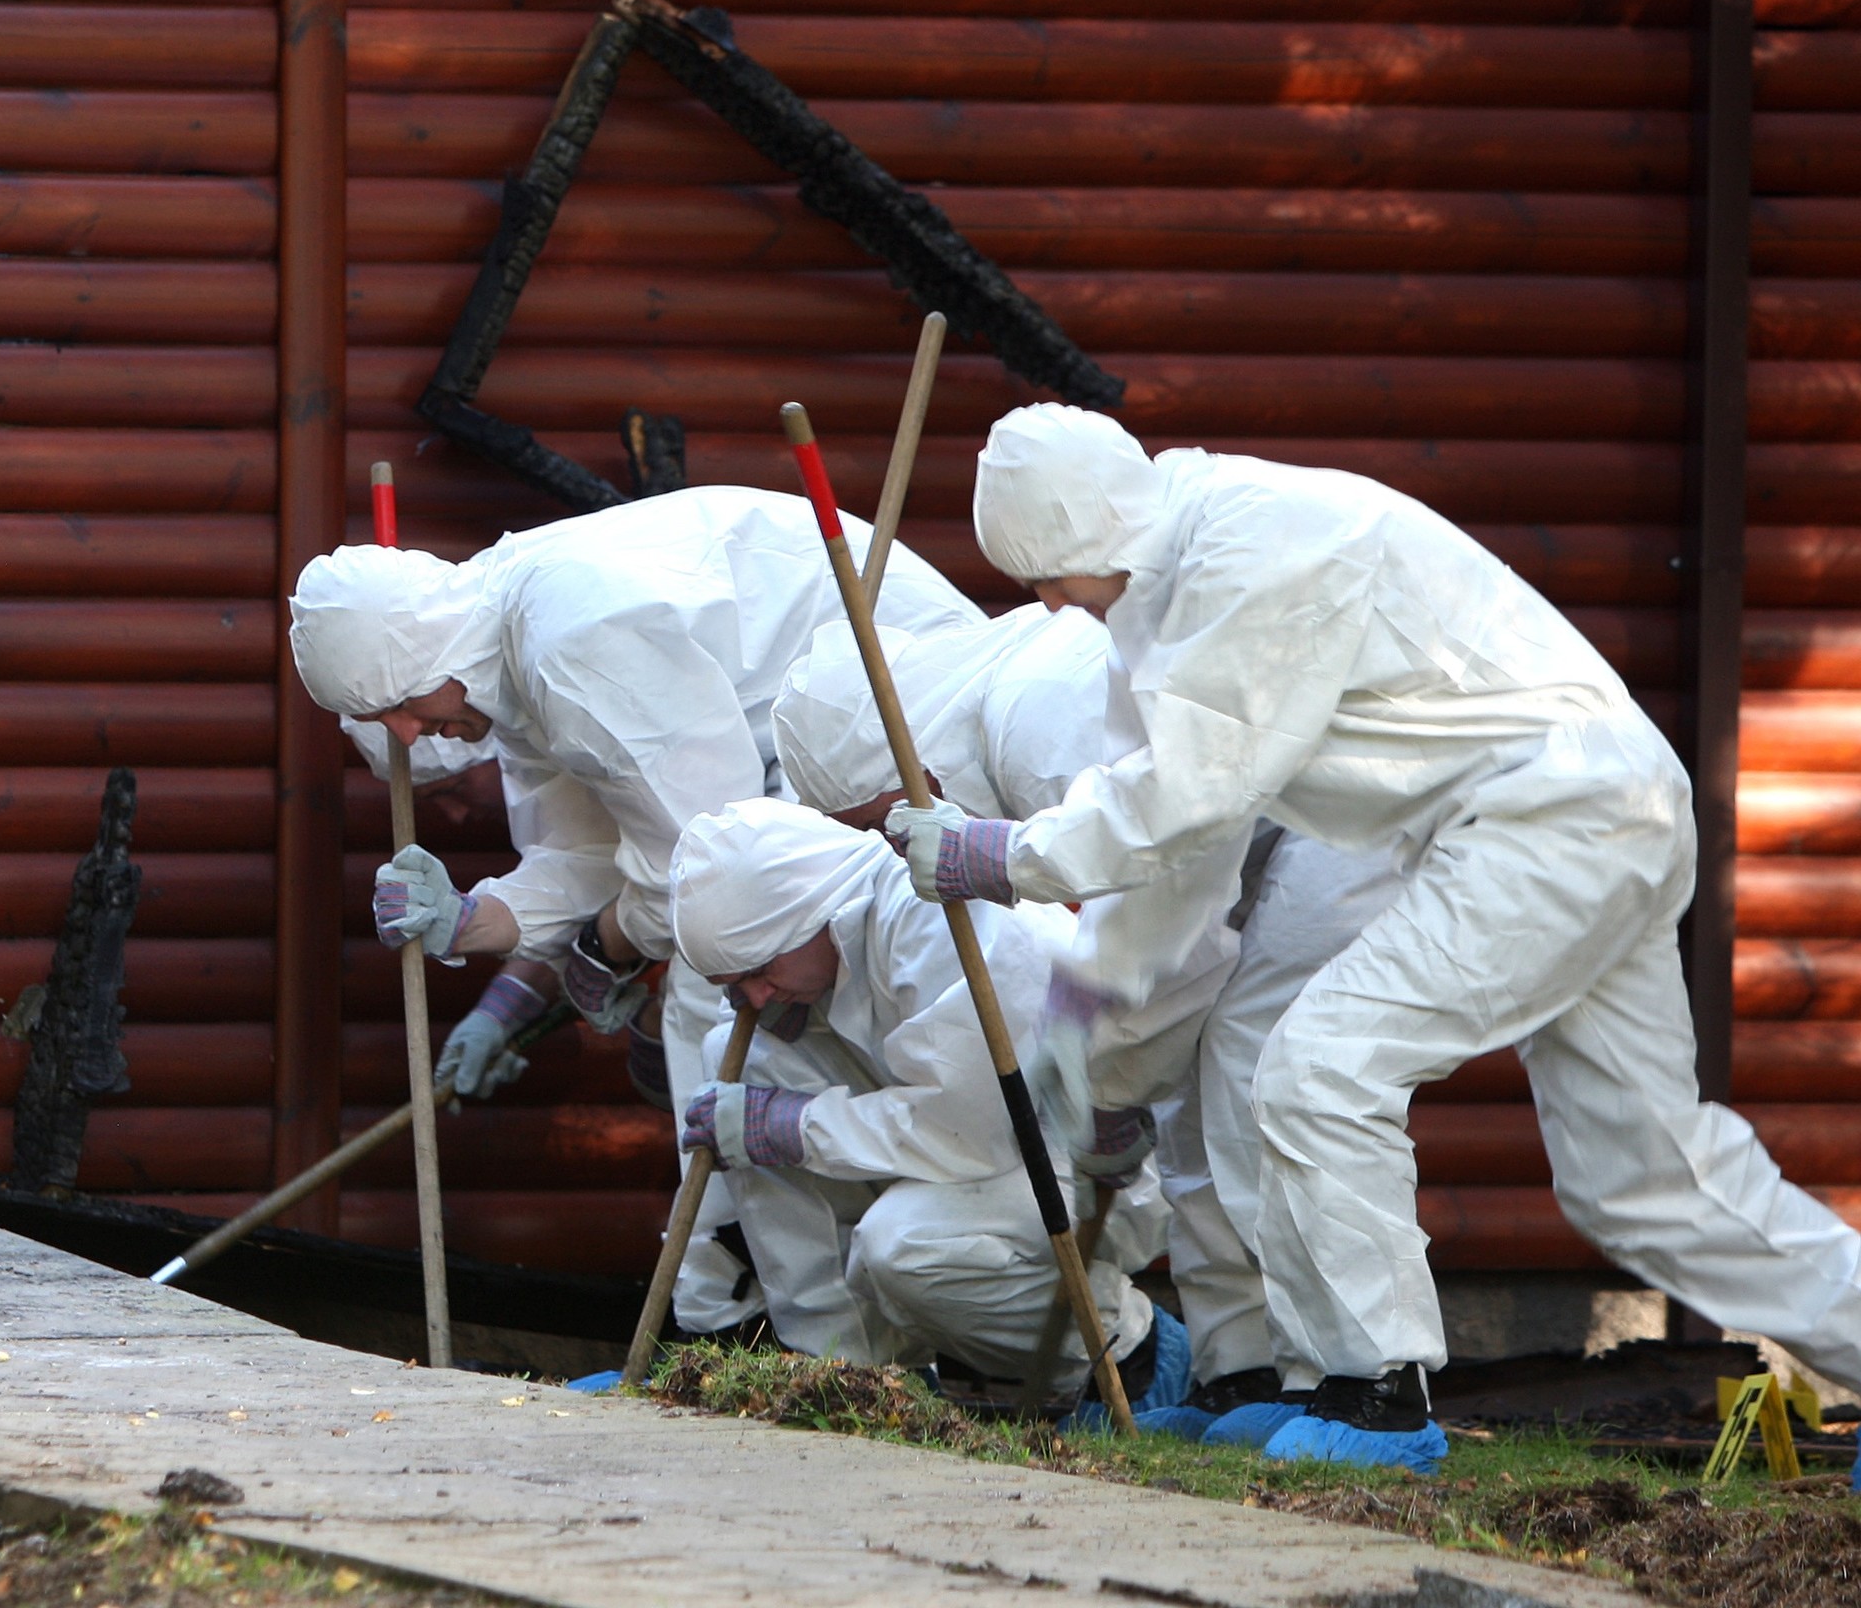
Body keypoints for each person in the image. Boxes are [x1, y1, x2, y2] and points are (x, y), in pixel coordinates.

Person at [895, 403, 1861, 1473]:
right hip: (1580, 812)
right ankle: (1331, 1382)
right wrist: (1094, 1037)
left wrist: (1003, 856)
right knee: (1640, 1184)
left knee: (1319, 1068)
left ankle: (1376, 1398)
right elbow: (1175, 867)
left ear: (1095, 541)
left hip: (1553, 818)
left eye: (1049, 574)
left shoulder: (1252, 549)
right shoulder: (1164, 583)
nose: (1046, 602)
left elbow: (1183, 800)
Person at [285, 486, 985, 1162]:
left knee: (707, 1000)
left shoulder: (570, 641)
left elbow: (703, 858)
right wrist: (479, 919)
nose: (408, 736)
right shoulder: (504, 644)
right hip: (804, 753)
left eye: (402, 705)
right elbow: (590, 847)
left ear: (429, 655)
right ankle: (764, 1259)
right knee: (728, 998)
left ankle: (769, 1267)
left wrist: (609, 941)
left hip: (902, 730)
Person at [770, 605, 1254, 1421]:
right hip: (1206, 926)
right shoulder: (987, 736)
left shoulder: (1039, 715)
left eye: (874, 820)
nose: (886, 844)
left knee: (1252, 1112)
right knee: (1208, 1128)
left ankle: (1349, 1389)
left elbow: (1161, 902)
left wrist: (1109, 1075)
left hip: (1255, 893)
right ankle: (1246, 1380)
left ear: (901, 760)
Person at [666, 799, 1187, 1407]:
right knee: (737, 1057)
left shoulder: (940, 929)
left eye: (759, 968)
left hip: (1080, 1172)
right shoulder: (823, 951)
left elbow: (966, 1135)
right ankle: (858, 1380)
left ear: (812, 914)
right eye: (733, 983)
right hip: (970, 1158)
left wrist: (800, 1126)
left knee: (903, 1251)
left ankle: (1131, 1357)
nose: (752, 994)